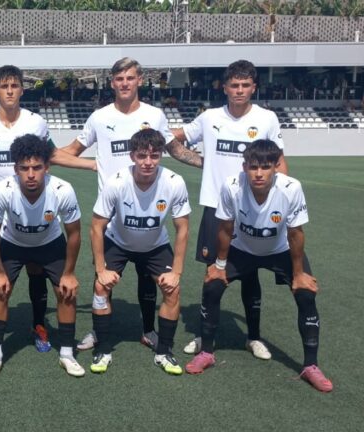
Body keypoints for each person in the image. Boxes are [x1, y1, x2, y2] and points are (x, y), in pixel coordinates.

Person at [58, 57, 193, 352]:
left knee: (148, 277)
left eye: (130, 78)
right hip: (111, 214)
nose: (124, 83)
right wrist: (89, 165)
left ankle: (148, 330)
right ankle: (98, 332)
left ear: (140, 80)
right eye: (119, 79)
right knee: (101, 277)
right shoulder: (99, 117)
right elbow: (70, 151)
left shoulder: (155, 115)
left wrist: (206, 164)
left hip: (148, 208)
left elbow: (175, 150)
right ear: (112, 82)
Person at [0, 65, 94, 353]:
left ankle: (38, 324)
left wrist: (92, 163)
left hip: (32, 205)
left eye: (14, 86)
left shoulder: (36, 122)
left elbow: (52, 155)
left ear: (22, 89)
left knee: (36, 267)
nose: (9, 91)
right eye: (4, 86)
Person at [184, 140, 333, 393]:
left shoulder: (291, 188)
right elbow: (225, 227)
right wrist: (219, 265)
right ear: (244, 167)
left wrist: (298, 274)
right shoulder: (232, 186)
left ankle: (311, 366)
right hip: (241, 249)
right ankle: (207, 352)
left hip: (280, 250)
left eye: (266, 167)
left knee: (306, 294)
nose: (259, 173)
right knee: (212, 286)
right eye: (253, 167)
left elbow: (296, 233)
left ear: (276, 166)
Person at [167, 59, 288, 359]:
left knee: (250, 274)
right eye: (234, 85)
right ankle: (205, 336)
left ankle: (254, 337)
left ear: (254, 87)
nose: (239, 90)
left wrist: (283, 198)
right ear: (225, 87)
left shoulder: (267, 119)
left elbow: (279, 160)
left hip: (254, 207)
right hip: (216, 207)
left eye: (245, 85)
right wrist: (200, 162)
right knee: (213, 273)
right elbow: (175, 139)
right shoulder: (209, 118)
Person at [0, 134, 83, 379]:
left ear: (47, 167)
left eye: (37, 167)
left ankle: (67, 354)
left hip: (49, 242)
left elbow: (75, 233)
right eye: (24, 168)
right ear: (15, 168)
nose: (30, 174)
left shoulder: (62, 190)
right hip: (13, 243)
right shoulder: (3, 190)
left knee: (66, 290)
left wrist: (68, 273)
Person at [89, 129, 190, 376]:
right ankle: (102, 349)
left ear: (161, 157)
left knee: (172, 289)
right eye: (142, 155)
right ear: (132, 155)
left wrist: (176, 272)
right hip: (118, 242)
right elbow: (96, 227)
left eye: (154, 156)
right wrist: (101, 270)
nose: (148, 162)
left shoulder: (174, 182)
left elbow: (183, 229)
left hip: (155, 246)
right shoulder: (116, 182)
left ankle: (164, 351)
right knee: (101, 288)